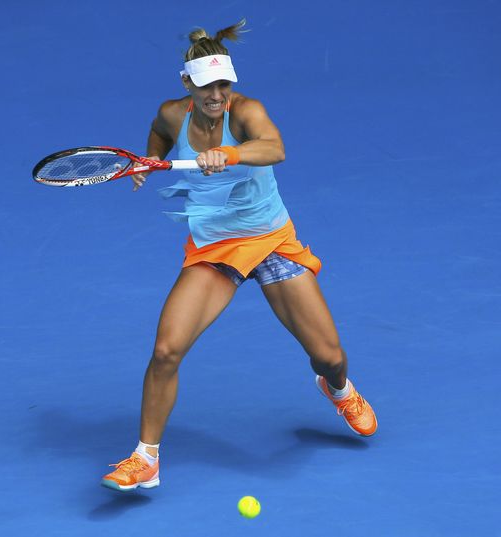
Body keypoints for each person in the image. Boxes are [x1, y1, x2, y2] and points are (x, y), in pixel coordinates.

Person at [101, 20, 377, 492]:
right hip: (214, 249)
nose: (218, 95)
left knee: (329, 356)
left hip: (269, 240)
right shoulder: (172, 114)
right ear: (188, 84)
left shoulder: (246, 111)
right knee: (166, 350)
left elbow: (275, 148)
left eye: (225, 84)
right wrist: (147, 162)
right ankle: (145, 458)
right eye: (208, 86)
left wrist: (231, 153)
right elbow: (158, 133)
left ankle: (338, 390)